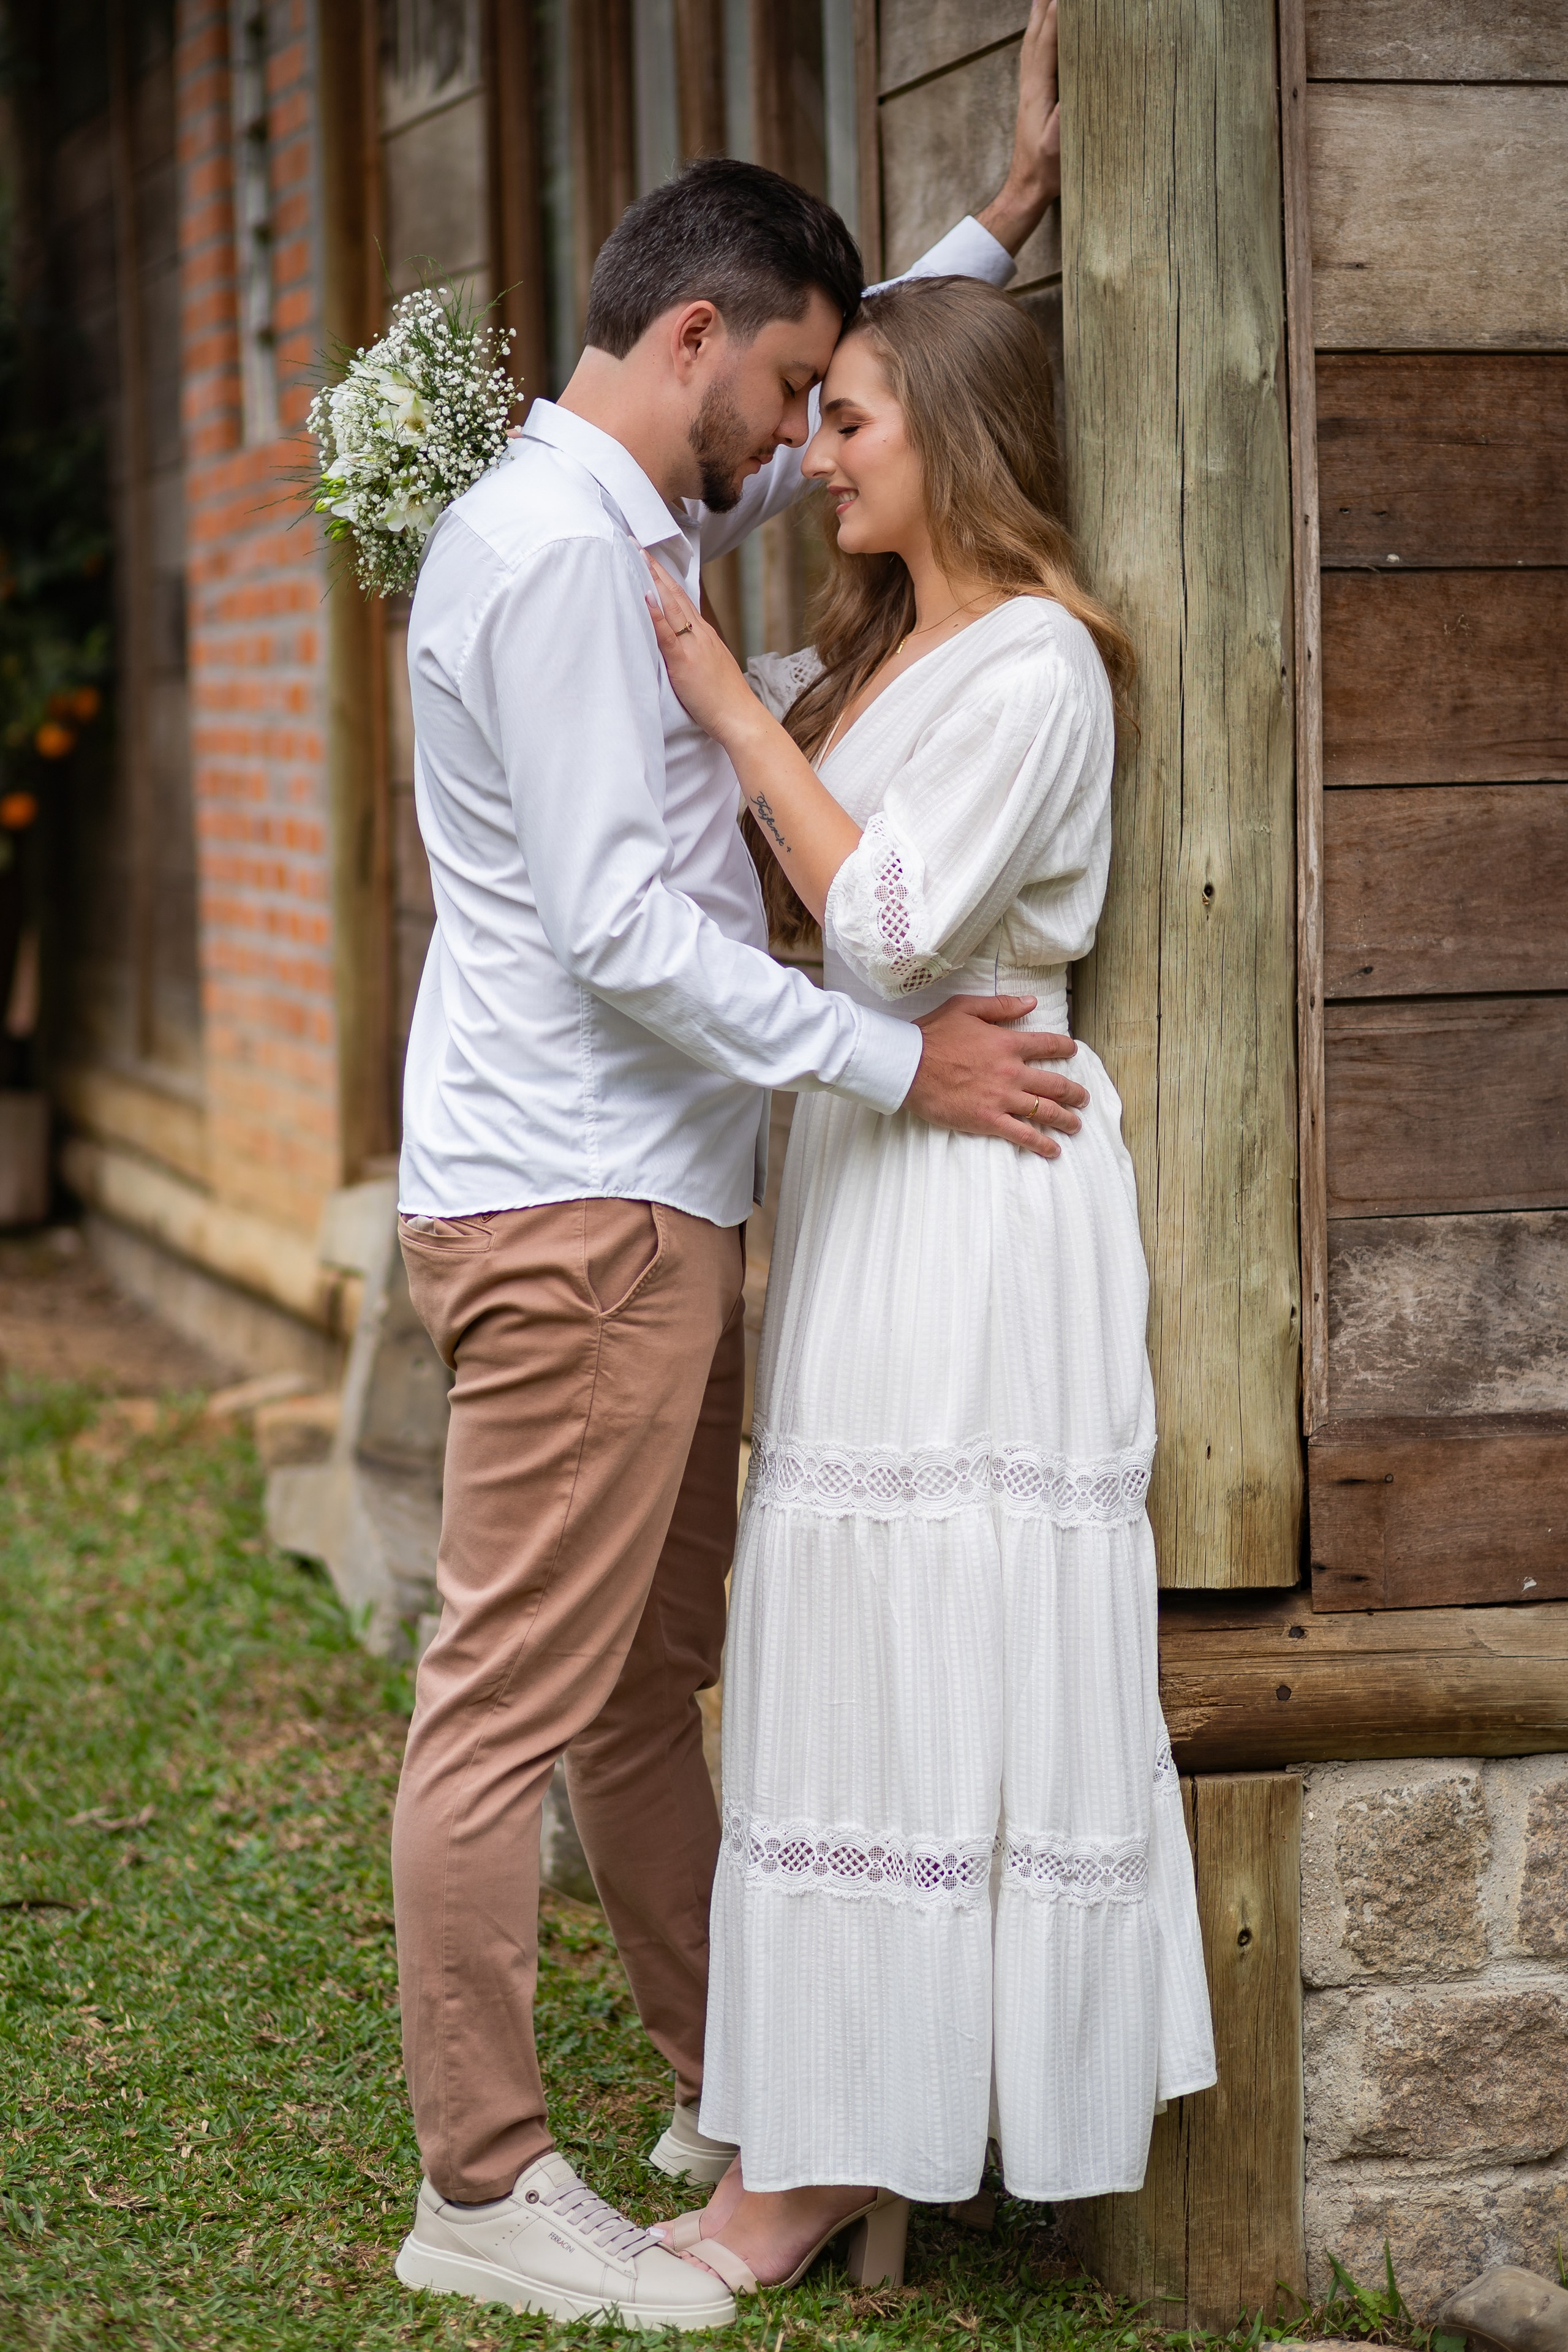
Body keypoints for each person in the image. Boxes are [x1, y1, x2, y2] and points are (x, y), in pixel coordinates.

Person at [389, 5, 1076, 2330]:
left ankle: (725, 2081)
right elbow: (612, 931)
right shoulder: (566, 561)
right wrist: (893, 1064)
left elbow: (858, 441)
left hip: (644, 1196)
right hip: (580, 1205)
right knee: (519, 1699)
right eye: (788, 389)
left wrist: (1001, 219)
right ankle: (482, 2182)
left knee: (637, 1679)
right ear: (690, 340)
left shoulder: (637, 498)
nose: (802, 444)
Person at [641, 270, 1217, 2301]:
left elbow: (881, 923)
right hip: (881, 1157)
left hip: (986, 1183)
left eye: (855, 417)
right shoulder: (890, 651)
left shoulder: (1043, 666)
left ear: (954, 441)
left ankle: (845, 2156)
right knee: (840, 1626)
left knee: (924, 1620)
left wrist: (719, 693)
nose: (815, 450)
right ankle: (830, 2121)